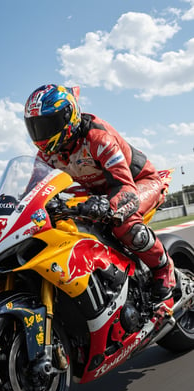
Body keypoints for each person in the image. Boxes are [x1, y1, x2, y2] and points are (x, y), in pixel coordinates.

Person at [24, 84, 176, 307]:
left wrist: (107, 205)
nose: (42, 134)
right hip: (97, 194)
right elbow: (31, 193)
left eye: (48, 125)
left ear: (69, 116)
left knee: (123, 222)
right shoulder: (46, 155)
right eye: (35, 127)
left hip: (137, 183)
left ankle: (164, 269)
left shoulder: (97, 137)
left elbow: (125, 189)